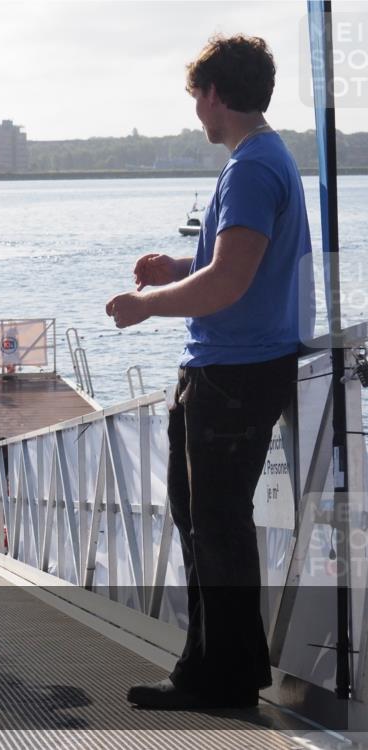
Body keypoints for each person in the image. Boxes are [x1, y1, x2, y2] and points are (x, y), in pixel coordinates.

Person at [106, 34, 312, 710]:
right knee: (204, 521)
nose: (196, 108)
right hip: (233, 368)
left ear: (217, 94)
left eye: (197, 94)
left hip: (234, 374)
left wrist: (146, 305)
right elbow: (233, 269)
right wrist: (176, 270)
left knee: (216, 526)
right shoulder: (260, 160)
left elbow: (227, 284)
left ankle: (220, 678)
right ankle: (216, 666)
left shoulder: (252, 167)